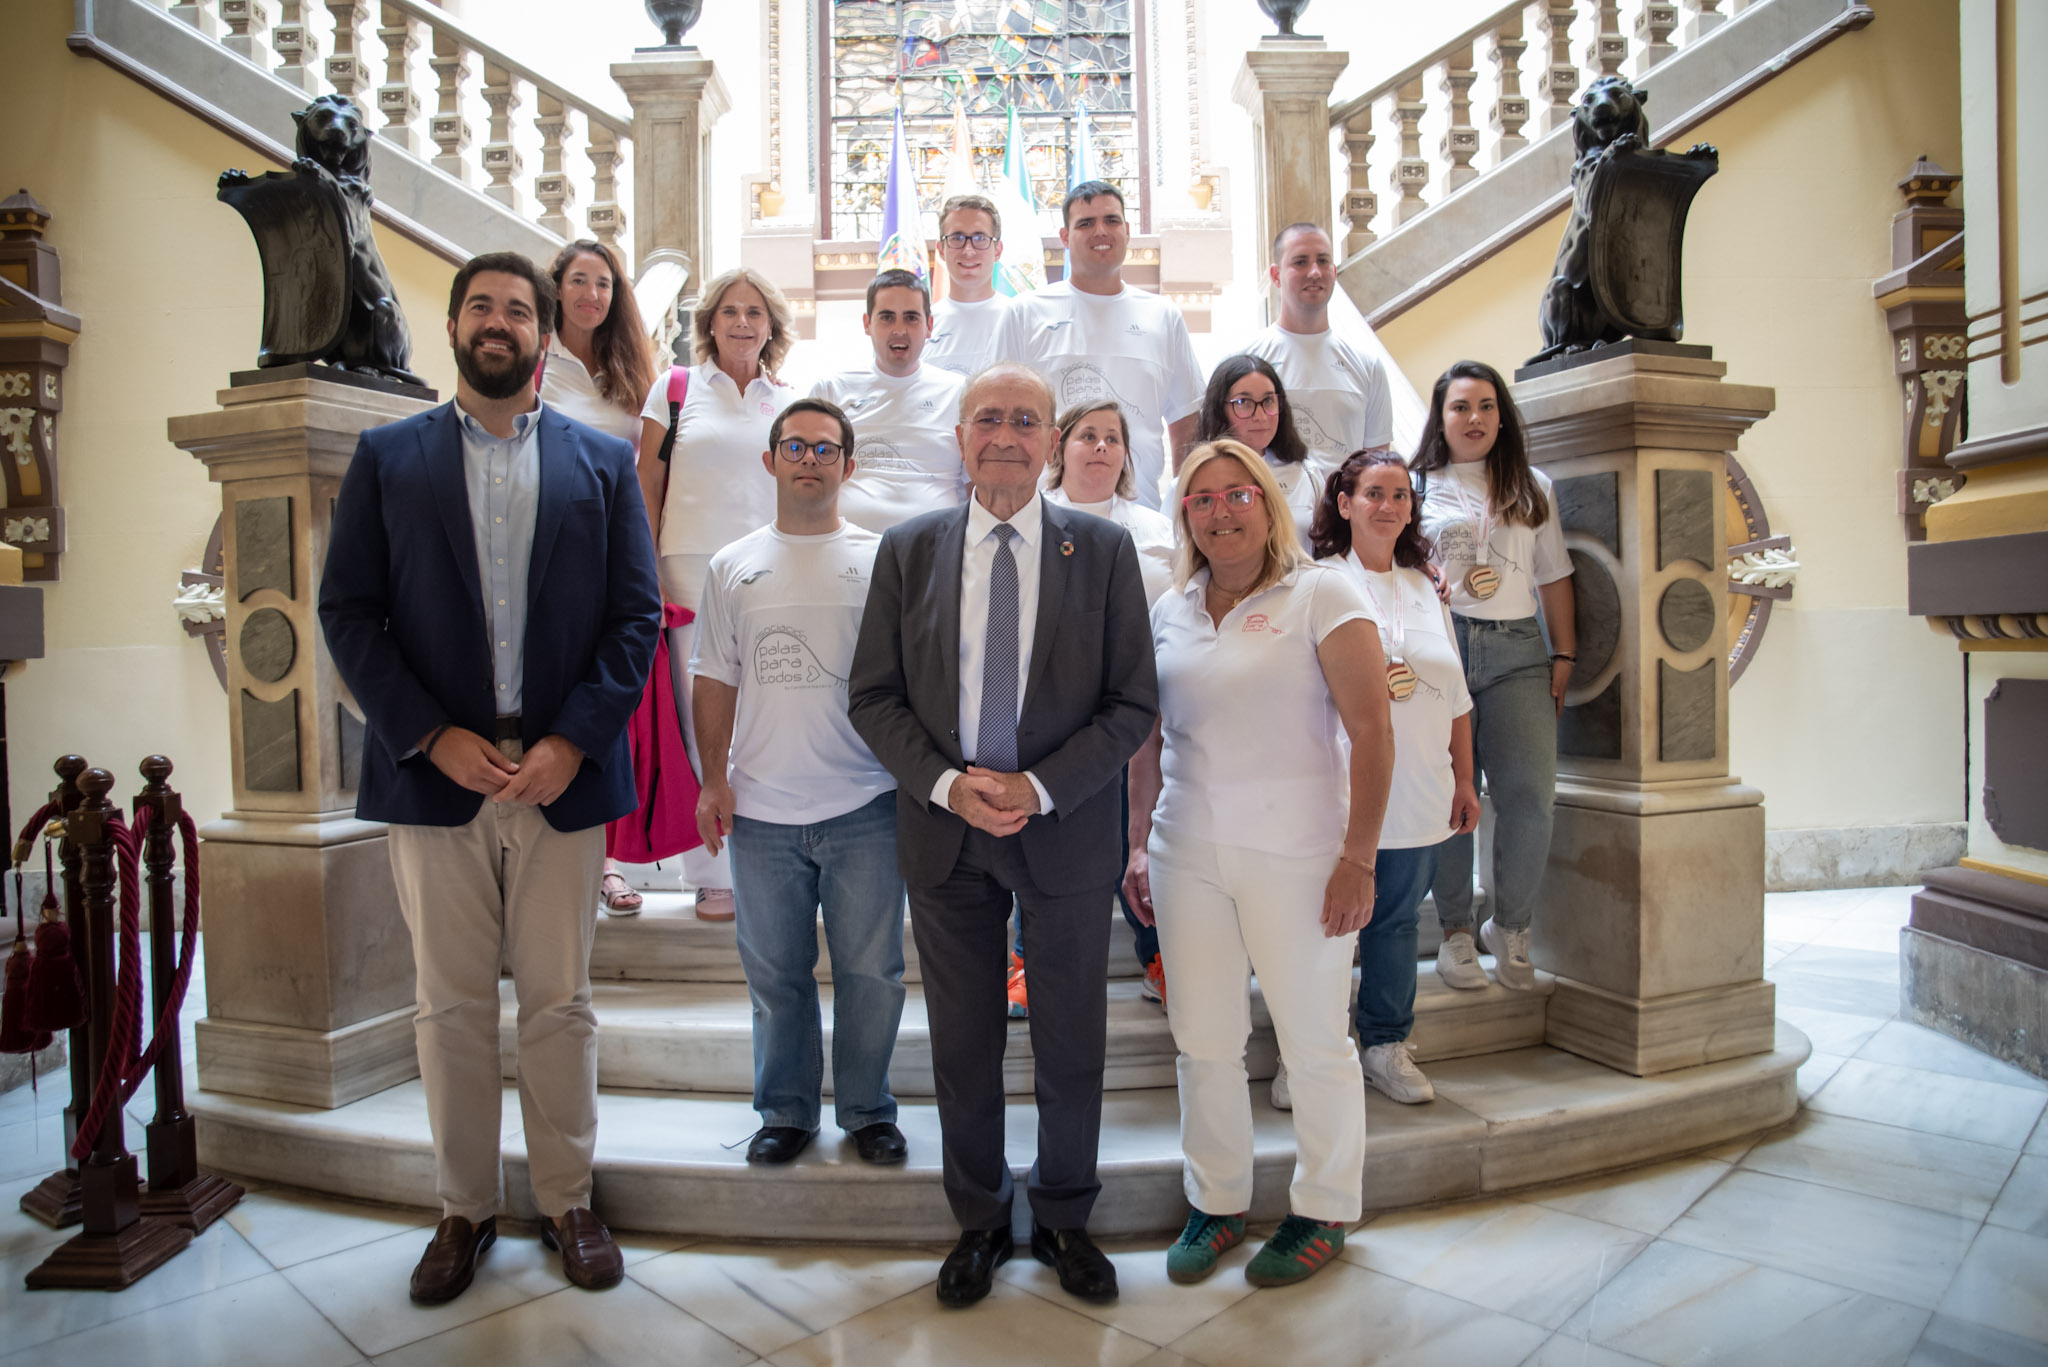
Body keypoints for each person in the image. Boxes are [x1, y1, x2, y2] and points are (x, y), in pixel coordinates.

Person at [319, 251, 660, 1304]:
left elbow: (632, 619)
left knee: (559, 1003)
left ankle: (567, 1198)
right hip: (438, 776)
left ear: (546, 335)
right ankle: (462, 1208)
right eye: (483, 305)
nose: (501, 321)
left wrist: (570, 743)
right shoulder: (389, 457)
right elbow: (348, 615)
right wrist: (427, 733)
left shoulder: (601, 464)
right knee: (450, 1004)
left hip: (558, 774)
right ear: (456, 324)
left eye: (521, 307)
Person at [848, 363, 1158, 1309]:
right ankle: (979, 1218)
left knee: (1072, 1037)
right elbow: (873, 696)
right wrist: (950, 786)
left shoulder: (1102, 552)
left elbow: (1132, 701)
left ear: (1053, 439)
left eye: (1028, 420)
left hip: (1063, 834)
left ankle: (1066, 1212)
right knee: (963, 1039)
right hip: (947, 836)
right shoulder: (907, 550)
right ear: (961, 435)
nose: (1007, 435)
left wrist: (1039, 786)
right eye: (989, 418)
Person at [1124, 438, 1393, 1289]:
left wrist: (1360, 856)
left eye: (1237, 493)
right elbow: (1147, 741)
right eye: (1201, 499)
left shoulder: (1321, 590)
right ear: (1185, 517)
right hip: (1186, 849)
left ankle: (1323, 1207)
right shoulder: (1170, 608)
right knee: (1203, 1037)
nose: (1220, 510)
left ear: (1267, 504)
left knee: (1313, 1039)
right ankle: (1218, 1200)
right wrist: (1138, 840)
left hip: (1303, 853)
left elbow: (1374, 729)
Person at [690, 396, 908, 1169]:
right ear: (771, 458)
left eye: (825, 448)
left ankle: (867, 1109)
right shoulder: (732, 563)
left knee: (872, 973)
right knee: (776, 975)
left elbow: (909, 680)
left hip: (865, 805)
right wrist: (713, 780)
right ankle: (785, 1110)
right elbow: (714, 678)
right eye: (795, 445)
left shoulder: (884, 558)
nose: (809, 458)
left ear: (848, 465)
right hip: (763, 811)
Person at [1311, 450, 1482, 1104]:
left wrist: (1465, 779)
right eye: (1373, 492)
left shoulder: (1423, 586)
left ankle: (1385, 1043)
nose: (1388, 505)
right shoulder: (1318, 581)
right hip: (1342, 792)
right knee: (1327, 930)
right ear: (1345, 502)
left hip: (1420, 791)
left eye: (1400, 495)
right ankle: (1318, 1056)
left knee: (1397, 924)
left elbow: (1457, 694)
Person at [635, 267, 799, 922]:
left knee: (761, 726)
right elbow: (646, 485)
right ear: (709, 323)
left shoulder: (786, 399)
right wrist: (642, 568)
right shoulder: (674, 390)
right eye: (730, 310)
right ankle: (709, 871)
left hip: (765, 579)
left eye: (754, 311)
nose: (741, 321)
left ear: (771, 326)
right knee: (699, 725)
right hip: (685, 577)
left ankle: (763, 861)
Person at [1411, 361, 1576, 993]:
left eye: (1484, 406)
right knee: (1457, 797)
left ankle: (1510, 928)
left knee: (1531, 796)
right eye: (1459, 407)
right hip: (1443, 651)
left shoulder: (1533, 487)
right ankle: (1456, 931)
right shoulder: (1418, 486)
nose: (1472, 419)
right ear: (1441, 417)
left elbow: (1555, 574)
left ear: (1500, 416)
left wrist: (1564, 655)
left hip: (1517, 653)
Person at [1020, 400, 1174, 1014]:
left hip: (1141, 714)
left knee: (1140, 839)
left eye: (1114, 437)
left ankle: (1159, 955)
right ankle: (1029, 963)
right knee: (1040, 848)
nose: (1102, 447)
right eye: (1089, 435)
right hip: (1055, 714)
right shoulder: (1031, 519)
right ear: (1061, 447)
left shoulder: (1158, 529)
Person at [539, 239, 662, 918]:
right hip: (551, 551)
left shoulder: (631, 370)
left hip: (617, 548)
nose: (592, 294)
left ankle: (608, 858)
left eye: (605, 283)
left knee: (612, 701)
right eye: (580, 280)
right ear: (556, 287)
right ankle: (590, 860)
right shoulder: (534, 366)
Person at [990, 180, 1203, 509]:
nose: (1100, 231)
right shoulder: (1024, 313)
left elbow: (1186, 422)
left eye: (1111, 220)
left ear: (1127, 230)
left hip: (1139, 510)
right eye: (1085, 223)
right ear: (1065, 237)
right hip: (1045, 511)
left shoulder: (1163, 316)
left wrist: (1186, 508)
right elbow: (999, 415)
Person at [809, 268, 968, 535]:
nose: (899, 330)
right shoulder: (830, 391)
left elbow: (977, 485)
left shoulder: (960, 394)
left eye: (911, 318)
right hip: (847, 553)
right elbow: (808, 479)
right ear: (867, 323)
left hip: (935, 552)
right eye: (886, 317)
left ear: (929, 326)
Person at [1242, 223, 1394, 470]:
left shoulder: (1368, 366)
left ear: (1334, 271)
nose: (1314, 272)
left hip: (1342, 508)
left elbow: (1377, 466)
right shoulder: (1247, 361)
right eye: (1300, 262)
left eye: (1323, 261)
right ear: (1275, 275)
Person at [1194, 354, 1320, 553]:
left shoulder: (1307, 473)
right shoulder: (1197, 479)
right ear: (1220, 409)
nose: (1260, 416)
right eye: (1244, 402)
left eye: (1269, 401)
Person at [925, 194, 1011, 380]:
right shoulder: (923, 326)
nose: (968, 250)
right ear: (941, 250)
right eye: (957, 238)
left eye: (979, 238)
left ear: (997, 250)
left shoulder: (1019, 318)